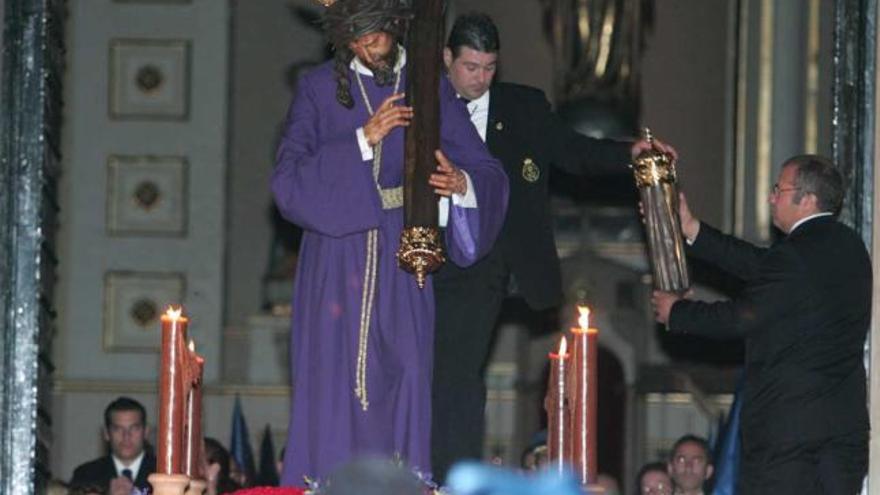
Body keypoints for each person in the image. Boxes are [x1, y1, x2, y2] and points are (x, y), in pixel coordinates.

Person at [271, 0, 509, 486]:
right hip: (337, 257)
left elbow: (486, 171)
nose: (366, 47)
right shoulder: (318, 89)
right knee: (336, 379)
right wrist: (363, 139)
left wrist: (460, 183)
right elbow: (286, 182)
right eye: (355, 40)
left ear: (394, 28)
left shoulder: (428, 87)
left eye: (374, 36)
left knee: (408, 371)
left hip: (407, 256)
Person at [431, 11, 676, 481]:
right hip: (416, 256)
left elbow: (576, 153)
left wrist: (630, 152)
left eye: (489, 68)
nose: (480, 79)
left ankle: (446, 481)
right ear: (447, 59)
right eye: (470, 68)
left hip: (482, 262)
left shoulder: (522, 108)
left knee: (458, 377)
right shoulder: (422, 104)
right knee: (413, 372)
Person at [652, 155, 871, 494]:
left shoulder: (795, 256)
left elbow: (741, 317)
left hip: (791, 443)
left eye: (778, 189)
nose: (771, 198)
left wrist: (678, 311)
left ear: (808, 199)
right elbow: (760, 265)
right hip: (841, 435)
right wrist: (693, 229)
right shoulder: (850, 247)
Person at [69, 397, 156, 495]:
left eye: (134, 428)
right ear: (106, 433)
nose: (126, 436)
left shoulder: (162, 472)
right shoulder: (86, 475)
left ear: (146, 432)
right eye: (118, 429)